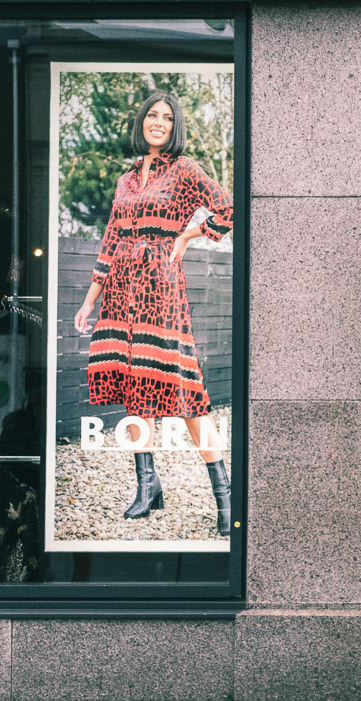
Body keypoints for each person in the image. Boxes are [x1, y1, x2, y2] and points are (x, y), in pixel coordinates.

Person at [73, 91, 233, 535]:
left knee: (185, 391)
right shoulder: (126, 179)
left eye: (166, 117)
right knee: (133, 386)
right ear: (141, 122)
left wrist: (185, 239)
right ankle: (147, 484)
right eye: (152, 116)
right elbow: (110, 239)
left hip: (161, 287)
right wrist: (90, 299)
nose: (158, 122)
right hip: (120, 289)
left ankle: (224, 492)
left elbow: (228, 209)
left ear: (174, 125)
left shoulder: (184, 169)